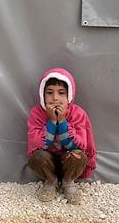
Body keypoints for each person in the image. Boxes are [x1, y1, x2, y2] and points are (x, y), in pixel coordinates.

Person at [26, 67, 97, 205]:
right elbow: (41, 145)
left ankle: (67, 181)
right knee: (36, 158)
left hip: (69, 157)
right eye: (49, 93)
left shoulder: (78, 113)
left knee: (79, 156)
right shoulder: (37, 113)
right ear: (42, 95)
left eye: (61, 93)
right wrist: (52, 121)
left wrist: (62, 121)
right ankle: (51, 181)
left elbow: (75, 145)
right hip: (48, 159)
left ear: (69, 95)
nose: (55, 98)